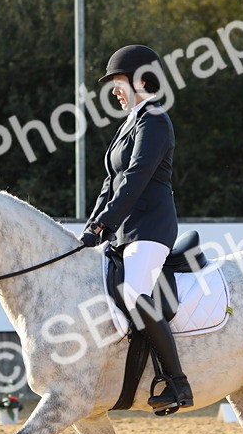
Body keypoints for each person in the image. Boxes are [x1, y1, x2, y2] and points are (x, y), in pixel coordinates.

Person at [79, 44, 192, 413]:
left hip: (150, 229)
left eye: (118, 81)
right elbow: (110, 184)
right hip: (123, 231)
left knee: (134, 292)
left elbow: (137, 178)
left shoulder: (155, 119)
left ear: (142, 80)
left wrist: (106, 222)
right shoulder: (130, 123)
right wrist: (93, 225)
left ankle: (177, 383)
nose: (113, 90)